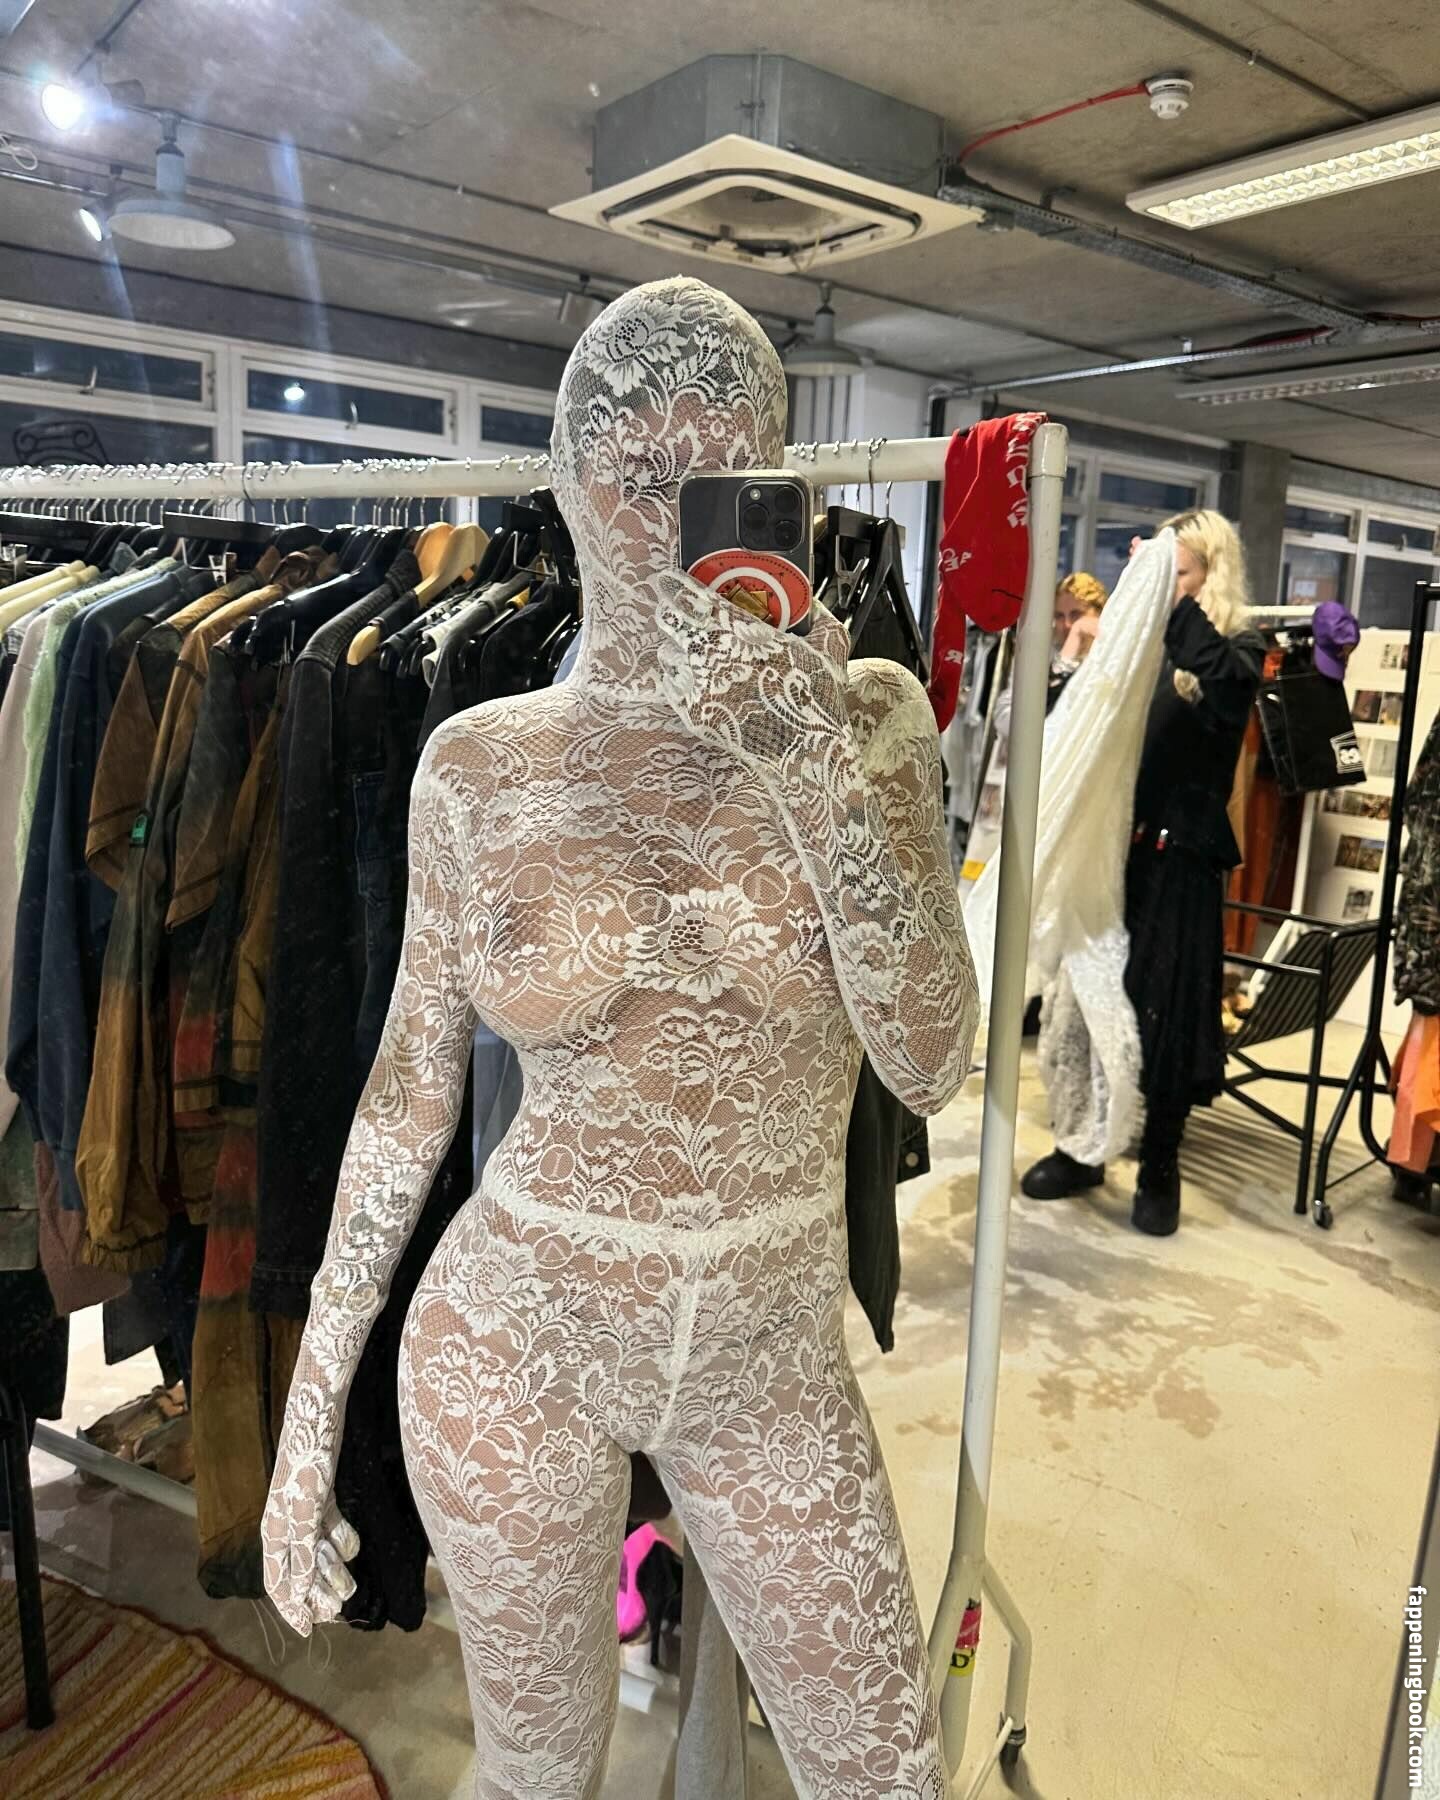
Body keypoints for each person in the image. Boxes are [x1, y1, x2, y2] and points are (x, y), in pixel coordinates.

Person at [260, 277, 978, 1798]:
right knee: (540, 1774)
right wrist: (306, 1416)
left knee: (887, 1774)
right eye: (640, 475)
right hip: (518, 1333)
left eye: (721, 479)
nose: (669, 525)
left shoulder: (870, 717)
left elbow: (931, 1064)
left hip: (768, 1357)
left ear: (775, 490)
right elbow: (405, 1096)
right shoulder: (482, 764)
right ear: (572, 489)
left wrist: (812, 772)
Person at [1022, 509, 1264, 1234]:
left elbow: (1227, 689)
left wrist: (1166, 604)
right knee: (1085, 1004)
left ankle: (1160, 1163)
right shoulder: (1138, 648)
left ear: (1211, 575)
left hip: (1179, 860)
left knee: (1164, 1016)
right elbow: (1071, 728)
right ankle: (1083, 1144)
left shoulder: (1236, 647)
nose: (1163, 582)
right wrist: (1081, 652)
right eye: (1159, 570)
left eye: (1178, 571)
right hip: (1112, 853)